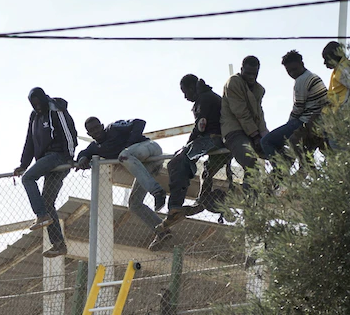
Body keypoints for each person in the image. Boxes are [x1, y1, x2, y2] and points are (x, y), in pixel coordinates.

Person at [153, 74, 224, 248]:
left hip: (213, 138)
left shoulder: (204, 99)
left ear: (192, 88)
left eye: (185, 92)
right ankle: (182, 206)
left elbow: (201, 126)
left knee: (177, 162)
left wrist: (188, 146)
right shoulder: (208, 97)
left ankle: (175, 207)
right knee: (184, 161)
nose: (185, 96)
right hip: (217, 138)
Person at [75, 117, 167, 236]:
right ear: (89, 134)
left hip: (148, 148)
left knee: (123, 155)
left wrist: (129, 144)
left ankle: (158, 192)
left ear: (102, 126)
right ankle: (162, 231)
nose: (96, 131)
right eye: (92, 130)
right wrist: (82, 159)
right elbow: (84, 153)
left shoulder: (113, 128)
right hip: (146, 166)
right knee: (134, 204)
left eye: (97, 127)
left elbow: (139, 122)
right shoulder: (95, 147)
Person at [14, 87, 78, 259]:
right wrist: (23, 164)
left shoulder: (55, 109)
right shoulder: (34, 116)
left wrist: (69, 156)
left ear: (44, 99)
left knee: (28, 178)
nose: (37, 106)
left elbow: (68, 132)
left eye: (38, 103)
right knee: (47, 202)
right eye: (33, 104)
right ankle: (59, 245)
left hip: (59, 156)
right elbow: (30, 140)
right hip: (46, 159)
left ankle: (41, 215)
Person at [259, 51, 329, 159]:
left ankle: (282, 166)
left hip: (306, 120)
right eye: (289, 71)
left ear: (302, 64)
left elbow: (298, 108)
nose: (292, 73)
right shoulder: (313, 76)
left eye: (294, 69)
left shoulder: (301, 80)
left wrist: (289, 123)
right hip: (318, 119)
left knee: (266, 141)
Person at [221, 55, 268, 195]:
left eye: (254, 74)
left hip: (253, 133)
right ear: (242, 70)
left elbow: (259, 115)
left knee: (281, 155)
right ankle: (250, 202)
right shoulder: (234, 83)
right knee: (250, 163)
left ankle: (269, 190)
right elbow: (240, 112)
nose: (251, 77)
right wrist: (256, 135)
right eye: (248, 73)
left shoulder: (258, 89)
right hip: (234, 131)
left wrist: (265, 136)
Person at [322, 41, 350, 113]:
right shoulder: (338, 70)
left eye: (327, 59)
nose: (324, 63)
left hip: (344, 113)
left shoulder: (344, 69)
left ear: (335, 55)